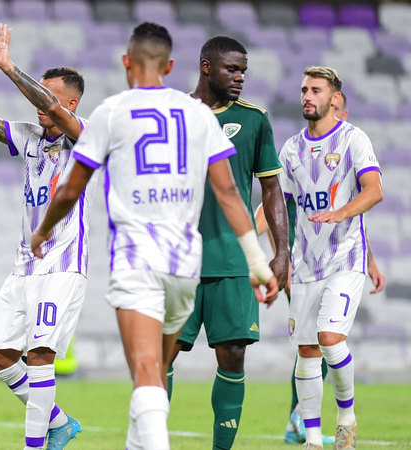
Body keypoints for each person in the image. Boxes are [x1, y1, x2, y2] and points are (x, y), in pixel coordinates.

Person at [30, 22, 278, 449]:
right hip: (186, 263)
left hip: (138, 258)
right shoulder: (198, 115)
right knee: (158, 368)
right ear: (170, 66)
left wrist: (43, 229)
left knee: (147, 371)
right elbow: (229, 192)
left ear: (127, 62)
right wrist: (257, 261)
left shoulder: (112, 112)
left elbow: (70, 189)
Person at [0, 23, 91, 450]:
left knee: (40, 355)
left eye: (48, 94)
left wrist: (8, 68)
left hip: (63, 263)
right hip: (24, 266)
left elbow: (52, 109)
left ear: (70, 103)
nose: (38, 101)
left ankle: (34, 445)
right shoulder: (29, 137)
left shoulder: (85, 135)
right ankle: (58, 423)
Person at [164, 36, 290, 450]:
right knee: (162, 353)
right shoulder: (173, 114)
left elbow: (271, 189)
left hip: (234, 259)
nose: (239, 78)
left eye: (243, 71)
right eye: (231, 69)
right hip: (178, 258)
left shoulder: (254, 119)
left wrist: (282, 253)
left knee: (233, 353)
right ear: (206, 67)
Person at [254, 90, 385, 446]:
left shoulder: (350, 147)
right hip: (301, 266)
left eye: (337, 110)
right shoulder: (297, 155)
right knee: (308, 348)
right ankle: (302, 424)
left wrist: (370, 260)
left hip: (341, 263)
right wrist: (267, 258)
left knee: (327, 340)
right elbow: (272, 209)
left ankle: (338, 418)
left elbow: (357, 211)